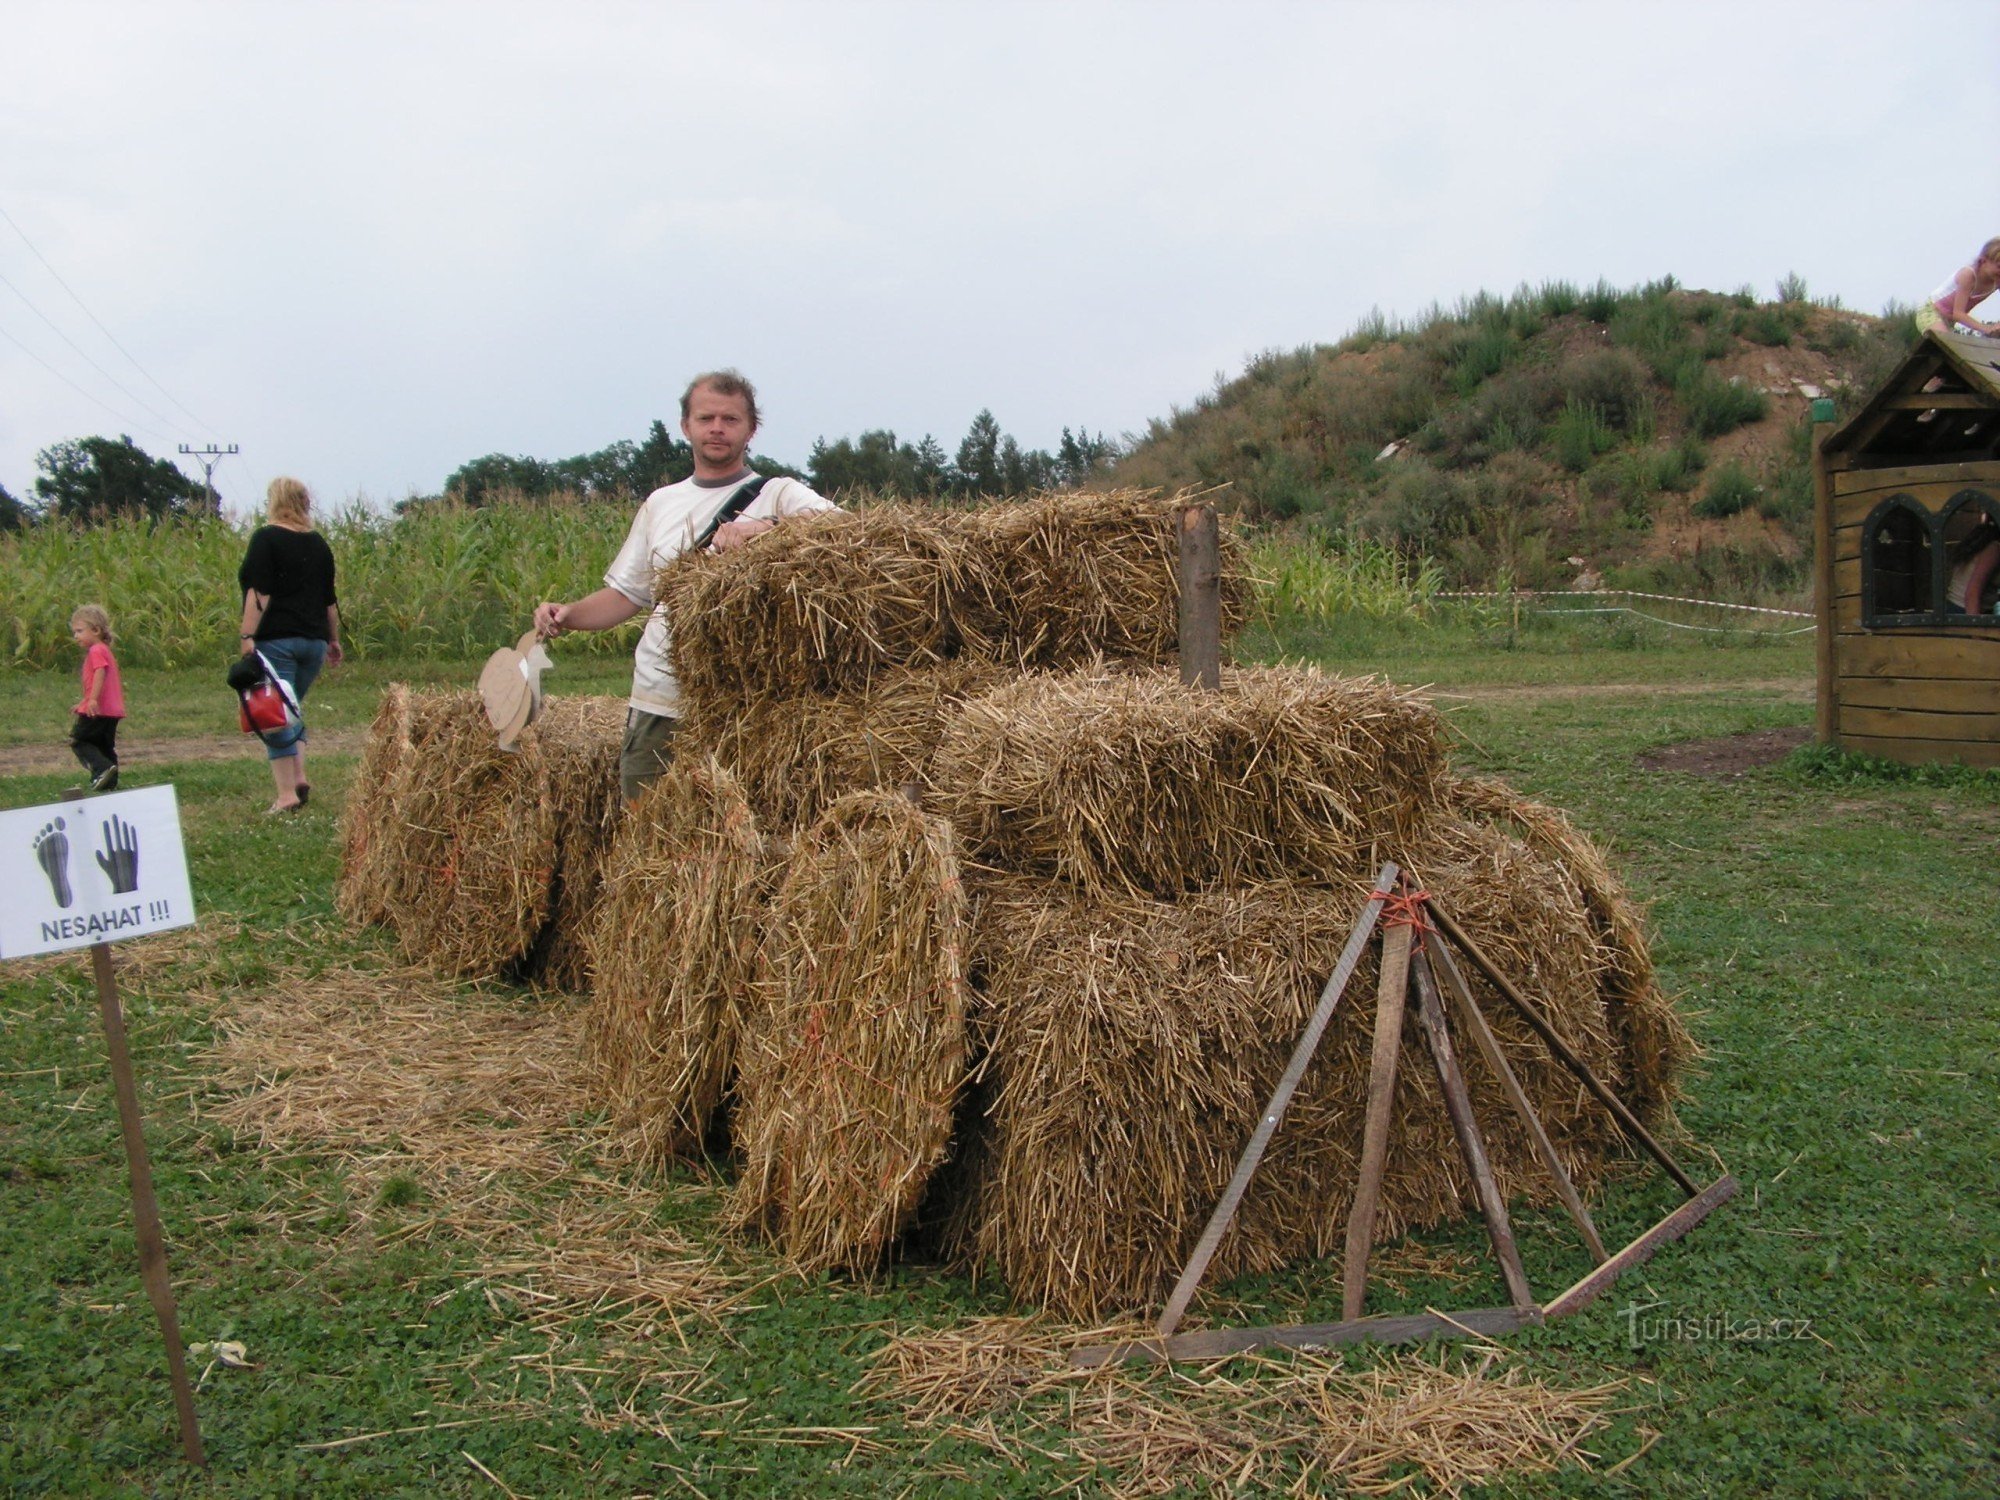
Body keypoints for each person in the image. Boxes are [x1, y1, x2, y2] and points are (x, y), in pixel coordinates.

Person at [534, 370, 836, 801]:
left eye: (730, 420)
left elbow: (846, 528)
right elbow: (627, 595)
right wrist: (569, 615)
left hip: (745, 708)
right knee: (648, 838)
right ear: (686, 426)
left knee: (741, 841)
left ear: (752, 429)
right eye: (706, 417)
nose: (717, 428)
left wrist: (765, 528)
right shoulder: (661, 504)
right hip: (661, 699)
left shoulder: (779, 494)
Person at [239, 476, 342, 813]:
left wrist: (246, 636)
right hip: (314, 642)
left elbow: (259, 592)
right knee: (291, 708)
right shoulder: (319, 545)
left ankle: (286, 794)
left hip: (277, 639)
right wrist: (334, 639)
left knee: (273, 715)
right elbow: (329, 601)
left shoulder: (267, 539)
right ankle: (298, 776)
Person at [68, 603, 124, 792]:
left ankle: (102, 770)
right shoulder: (104, 649)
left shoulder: (96, 650)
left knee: (80, 741)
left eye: (79, 631)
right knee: (104, 746)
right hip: (112, 710)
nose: (76, 636)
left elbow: (100, 672)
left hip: (98, 709)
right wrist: (84, 701)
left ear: (96, 630)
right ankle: (110, 781)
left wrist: (91, 701)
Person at [1916, 238, 2000, 335]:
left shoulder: (1997, 280)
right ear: (1983, 261)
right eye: (1999, 266)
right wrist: (1986, 328)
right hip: (1931, 312)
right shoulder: (1968, 275)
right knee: (1945, 342)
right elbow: (1958, 314)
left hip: (1949, 321)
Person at [1945, 521, 2000, 615]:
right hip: (1967, 610)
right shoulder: (1994, 549)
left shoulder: (1985, 542)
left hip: (1957, 608)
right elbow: (1972, 593)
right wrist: (1974, 627)